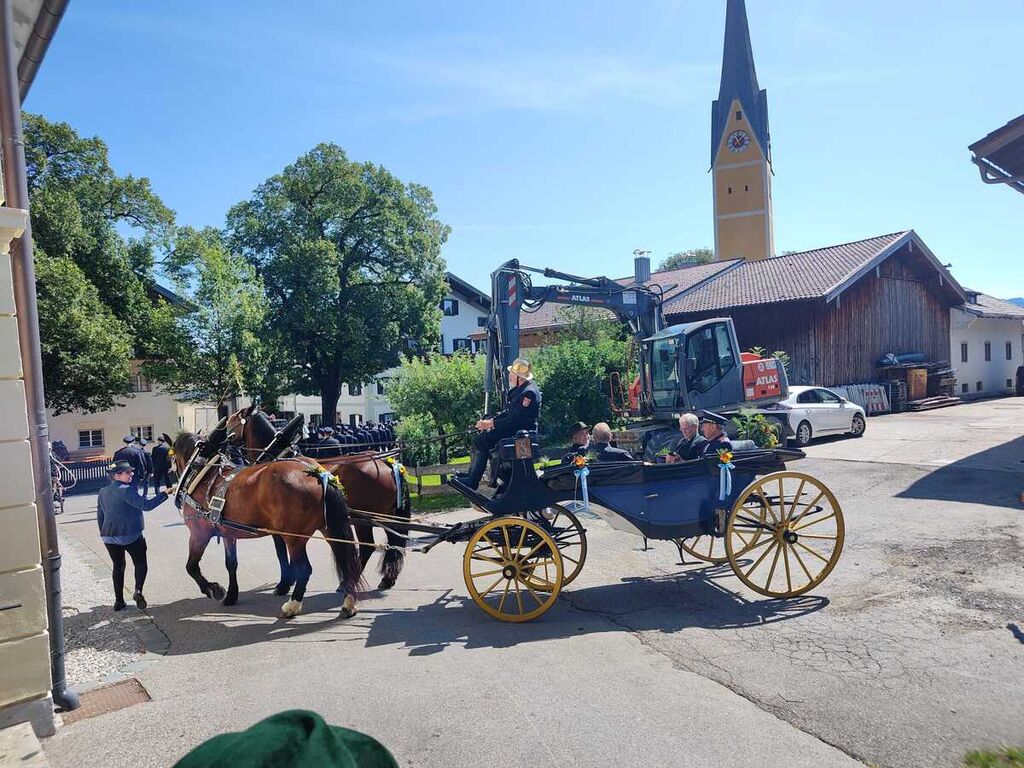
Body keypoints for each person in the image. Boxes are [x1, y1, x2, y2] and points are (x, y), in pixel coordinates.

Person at [457, 357, 541, 490]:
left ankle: (473, 480)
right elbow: (509, 413)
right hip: (515, 430)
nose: (509, 376)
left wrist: (490, 424)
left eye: (512, 374)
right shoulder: (522, 390)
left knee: (484, 439)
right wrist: (490, 421)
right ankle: (472, 475)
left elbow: (515, 420)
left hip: (521, 434)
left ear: (520, 378)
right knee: (482, 439)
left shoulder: (528, 393)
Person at [97, 460, 168, 611]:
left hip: (109, 536)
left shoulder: (102, 491)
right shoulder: (127, 490)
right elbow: (146, 505)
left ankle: (119, 602)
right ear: (117, 475)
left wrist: (103, 532)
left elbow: (100, 515)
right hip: (131, 534)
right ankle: (138, 591)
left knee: (118, 566)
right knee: (140, 563)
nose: (132, 474)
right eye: (128, 472)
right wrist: (164, 494)